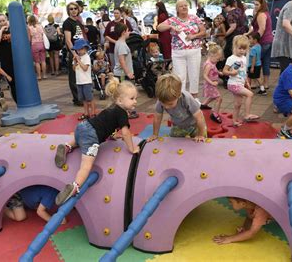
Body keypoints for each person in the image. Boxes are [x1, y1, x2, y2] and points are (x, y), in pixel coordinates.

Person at [54, 77, 140, 205]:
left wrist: (112, 135)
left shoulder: (111, 108)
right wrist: (132, 148)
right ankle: (75, 186)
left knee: (80, 140)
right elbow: (126, 133)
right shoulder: (122, 113)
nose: (135, 102)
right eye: (132, 98)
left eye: (136, 98)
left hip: (82, 127)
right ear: (120, 100)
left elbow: (106, 123)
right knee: (86, 166)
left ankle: (67, 146)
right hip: (91, 136)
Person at [157, 0, 206, 99]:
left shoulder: (194, 18)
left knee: (194, 75)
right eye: (181, 6)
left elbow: (204, 32)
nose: (184, 7)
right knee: (179, 77)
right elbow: (159, 27)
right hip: (178, 52)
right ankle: (182, 98)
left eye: (186, 5)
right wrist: (171, 27)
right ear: (177, 9)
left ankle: (194, 98)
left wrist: (194, 36)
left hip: (194, 50)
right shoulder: (172, 20)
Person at [147, 74, 206, 142]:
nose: (166, 107)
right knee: (174, 143)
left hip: (195, 125)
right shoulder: (161, 99)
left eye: (170, 104)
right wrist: (155, 134)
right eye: (164, 104)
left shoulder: (186, 98)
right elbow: (157, 118)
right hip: (179, 126)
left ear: (179, 96)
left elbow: (199, 117)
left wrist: (200, 134)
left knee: (200, 142)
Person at [222, 35, 260, 127]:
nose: (242, 51)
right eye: (240, 48)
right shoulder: (231, 58)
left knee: (238, 104)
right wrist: (232, 73)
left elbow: (244, 72)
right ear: (234, 47)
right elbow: (224, 71)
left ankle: (234, 121)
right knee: (250, 94)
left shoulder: (243, 58)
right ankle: (247, 115)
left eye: (244, 49)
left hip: (240, 83)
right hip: (233, 84)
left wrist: (246, 82)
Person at [246, 0, 273, 94]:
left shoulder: (261, 14)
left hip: (262, 41)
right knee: (266, 62)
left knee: (255, 62)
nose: (255, 6)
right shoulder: (265, 13)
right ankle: (265, 83)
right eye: (254, 4)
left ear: (262, 5)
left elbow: (261, 29)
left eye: (257, 4)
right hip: (268, 41)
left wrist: (254, 41)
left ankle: (254, 82)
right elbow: (255, 28)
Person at [63, 1, 86, 106]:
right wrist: (74, 53)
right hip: (74, 52)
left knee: (81, 74)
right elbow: (68, 40)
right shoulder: (67, 23)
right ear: (68, 11)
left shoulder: (77, 21)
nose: (73, 10)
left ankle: (82, 96)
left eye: (75, 8)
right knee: (73, 76)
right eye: (71, 9)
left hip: (82, 51)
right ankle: (77, 99)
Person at [0, 14, 17, 102]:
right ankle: (18, 102)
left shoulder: (13, 28)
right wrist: (1, 30)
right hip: (6, 61)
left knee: (21, 81)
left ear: (7, 20)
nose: (2, 22)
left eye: (4, 20)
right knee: (12, 83)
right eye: (0, 21)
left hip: (17, 59)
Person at [200, 43, 223, 124]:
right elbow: (205, 76)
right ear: (212, 55)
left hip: (212, 84)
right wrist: (212, 83)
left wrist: (219, 73)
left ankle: (203, 105)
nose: (218, 60)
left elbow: (214, 69)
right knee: (219, 99)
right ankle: (215, 114)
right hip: (210, 85)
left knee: (213, 96)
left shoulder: (212, 62)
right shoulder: (209, 65)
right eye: (217, 58)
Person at [73, 39, 95, 120]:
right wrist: (75, 62)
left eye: (81, 49)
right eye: (78, 49)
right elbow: (74, 69)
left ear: (85, 49)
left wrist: (79, 60)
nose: (79, 51)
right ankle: (86, 113)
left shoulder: (86, 57)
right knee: (84, 100)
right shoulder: (77, 57)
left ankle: (93, 113)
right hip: (79, 82)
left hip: (86, 82)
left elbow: (85, 68)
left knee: (90, 99)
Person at [27, 15, 47, 80]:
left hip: (34, 45)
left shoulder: (29, 28)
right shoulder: (40, 26)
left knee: (37, 62)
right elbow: (44, 34)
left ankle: (39, 76)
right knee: (43, 60)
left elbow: (29, 39)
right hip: (42, 44)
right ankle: (44, 75)